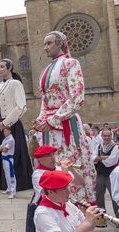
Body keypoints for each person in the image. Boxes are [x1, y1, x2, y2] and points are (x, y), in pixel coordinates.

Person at [32, 31, 96, 203]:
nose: (46, 47)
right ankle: (55, 202)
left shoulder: (71, 63)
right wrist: (40, 120)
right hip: (50, 128)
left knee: (70, 161)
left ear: (61, 43)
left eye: (50, 43)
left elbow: (77, 98)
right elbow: (45, 101)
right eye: (45, 44)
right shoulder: (46, 70)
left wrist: (53, 119)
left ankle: (77, 205)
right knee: (53, 164)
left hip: (66, 123)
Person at [0, 58, 33, 191]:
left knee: (13, 153)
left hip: (11, 124)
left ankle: (18, 183)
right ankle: (3, 183)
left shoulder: (15, 84)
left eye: (2, 67)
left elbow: (21, 107)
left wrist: (6, 123)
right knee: (0, 154)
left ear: (10, 68)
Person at [34, 170, 101, 232]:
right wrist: (87, 222)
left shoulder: (67, 204)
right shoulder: (43, 213)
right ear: (51, 192)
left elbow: (90, 228)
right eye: (63, 189)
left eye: (67, 187)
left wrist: (89, 216)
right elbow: (86, 225)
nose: (68, 191)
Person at [90, 129, 119, 217]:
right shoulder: (98, 146)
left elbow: (111, 161)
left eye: (108, 136)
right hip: (100, 174)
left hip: (111, 174)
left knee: (115, 196)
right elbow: (92, 158)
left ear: (111, 136)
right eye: (105, 136)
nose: (106, 138)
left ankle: (118, 217)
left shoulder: (115, 147)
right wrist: (103, 157)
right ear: (102, 136)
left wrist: (98, 159)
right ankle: (101, 217)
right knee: (99, 196)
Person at [0, 127, 16, 199]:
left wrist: (2, 148)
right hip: (4, 159)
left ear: (9, 131)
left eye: (6, 131)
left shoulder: (10, 139)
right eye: (4, 131)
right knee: (6, 175)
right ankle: (9, 188)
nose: (4, 133)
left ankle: (13, 191)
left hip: (9, 158)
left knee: (11, 175)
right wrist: (2, 148)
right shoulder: (5, 139)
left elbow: (5, 149)